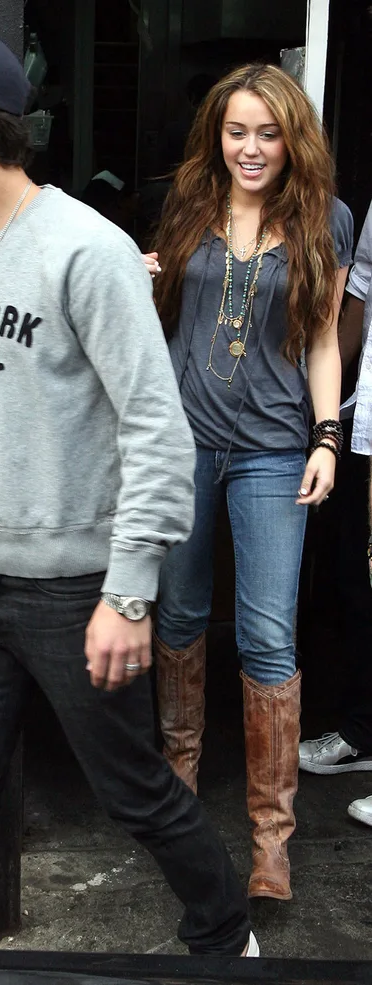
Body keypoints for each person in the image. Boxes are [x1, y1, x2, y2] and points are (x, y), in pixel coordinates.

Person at [0, 26, 256, 957]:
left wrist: (128, 592)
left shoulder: (86, 251)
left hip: (80, 591)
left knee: (133, 792)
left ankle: (227, 937)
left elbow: (157, 430)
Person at [142, 64, 353, 901]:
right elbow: (160, 312)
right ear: (216, 135)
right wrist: (142, 270)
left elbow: (326, 340)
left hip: (271, 449)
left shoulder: (323, 218)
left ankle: (273, 841)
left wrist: (327, 438)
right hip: (183, 443)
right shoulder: (191, 201)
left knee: (268, 637)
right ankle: (179, 794)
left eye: (268, 132)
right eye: (237, 131)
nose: (252, 148)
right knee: (181, 615)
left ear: (292, 137)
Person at [299, 199, 372, 824]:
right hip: (364, 423)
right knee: (357, 583)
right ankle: (361, 731)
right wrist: (326, 406)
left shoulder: (337, 214)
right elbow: (355, 307)